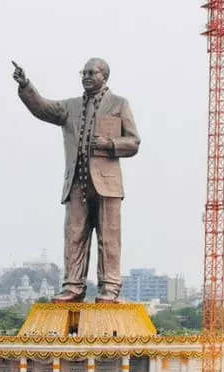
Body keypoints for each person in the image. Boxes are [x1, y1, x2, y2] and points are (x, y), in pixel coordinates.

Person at [13, 58, 140, 301]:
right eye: (83, 72)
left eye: (92, 72)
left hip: (107, 185)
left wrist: (109, 144)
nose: (86, 76)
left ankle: (109, 288)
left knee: (109, 239)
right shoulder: (70, 107)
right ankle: (73, 286)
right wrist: (25, 85)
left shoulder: (119, 104)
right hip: (77, 183)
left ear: (105, 76)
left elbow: (134, 142)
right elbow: (42, 108)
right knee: (74, 235)